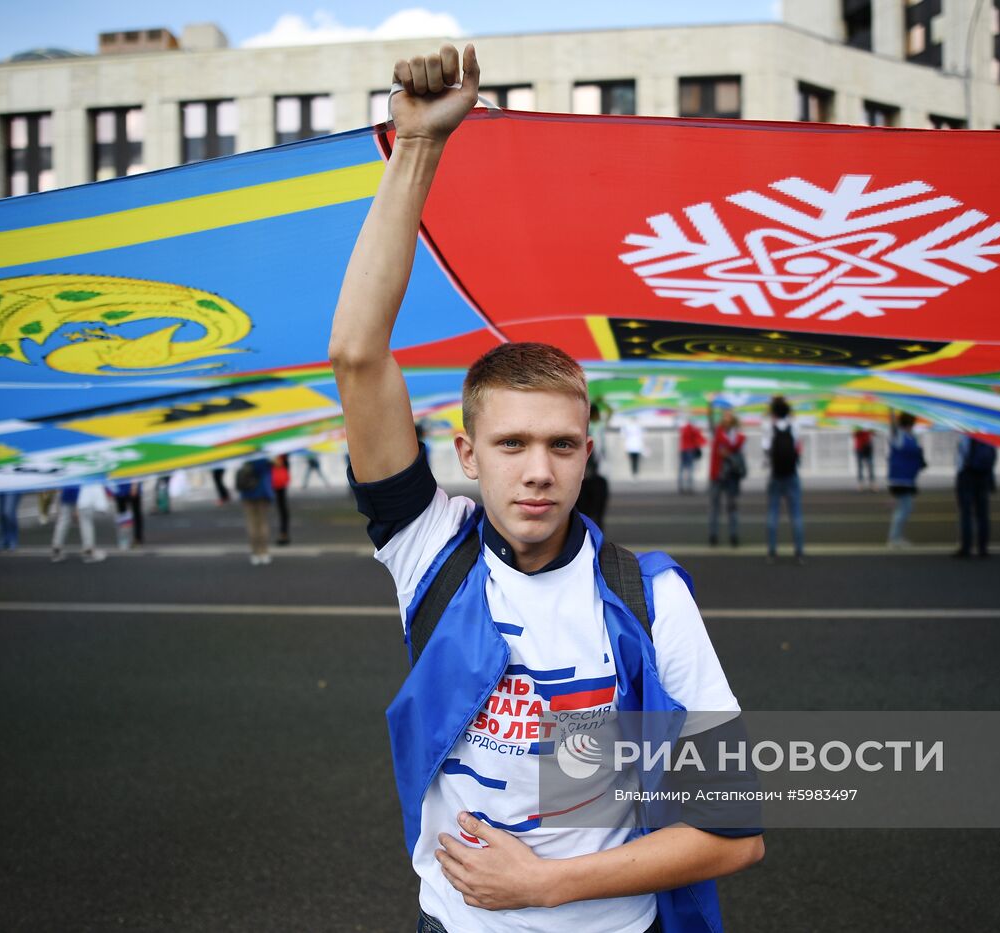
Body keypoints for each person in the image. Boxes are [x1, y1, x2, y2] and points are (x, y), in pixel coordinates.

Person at [327, 44, 761, 933]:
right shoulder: (429, 550)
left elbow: (736, 831)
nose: (538, 470)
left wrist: (546, 886)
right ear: (466, 453)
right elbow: (358, 356)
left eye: (562, 444)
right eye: (512, 442)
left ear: (589, 452)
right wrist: (416, 147)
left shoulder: (652, 596)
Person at [765, 396, 805, 564]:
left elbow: (766, 449)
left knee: (773, 514)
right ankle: (799, 552)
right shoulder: (795, 426)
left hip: (776, 474)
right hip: (791, 474)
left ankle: (772, 552)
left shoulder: (768, 427)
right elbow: (799, 448)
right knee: (796, 514)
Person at [885, 412, 926, 548]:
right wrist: (890, 408)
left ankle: (896, 537)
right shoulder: (899, 435)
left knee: (903, 508)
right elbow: (892, 425)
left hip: (907, 478)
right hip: (900, 478)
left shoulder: (909, 436)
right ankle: (894, 539)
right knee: (904, 509)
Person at [707, 406, 746, 547]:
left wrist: (727, 453)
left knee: (732, 507)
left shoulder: (738, 436)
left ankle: (733, 535)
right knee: (714, 507)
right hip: (717, 475)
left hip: (731, 476)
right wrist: (710, 406)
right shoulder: (718, 432)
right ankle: (713, 535)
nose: (726, 417)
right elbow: (710, 422)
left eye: (728, 415)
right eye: (724, 415)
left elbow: (736, 448)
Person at [953, 434, 997, 558]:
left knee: (966, 513)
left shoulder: (964, 436)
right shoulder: (988, 435)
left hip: (966, 475)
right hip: (983, 476)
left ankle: (966, 547)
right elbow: (992, 456)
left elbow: (960, 458)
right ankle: (983, 548)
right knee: (983, 513)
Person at [575, 402, 610, 531]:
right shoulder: (595, 426)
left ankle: (590, 531)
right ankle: (594, 531)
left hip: (588, 474)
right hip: (595, 473)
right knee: (596, 508)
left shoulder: (587, 427)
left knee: (587, 508)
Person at [51, 483, 106, 563]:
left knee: (63, 521)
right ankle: (88, 550)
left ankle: (56, 548)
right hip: (82, 492)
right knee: (86, 522)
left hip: (66, 490)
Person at [236, 456, 275, 564]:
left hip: (247, 494)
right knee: (263, 523)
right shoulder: (265, 458)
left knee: (251, 524)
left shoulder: (246, 456)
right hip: (263, 494)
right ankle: (264, 552)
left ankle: (255, 553)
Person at [677, 419, 706, 494]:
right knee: (690, 469)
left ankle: (681, 486)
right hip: (690, 449)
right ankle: (689, 487)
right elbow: (700, 439)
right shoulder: (693, 429)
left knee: (682, 469)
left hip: (683, 449)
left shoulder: (683, 429)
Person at [271, 454, 292, 545]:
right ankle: (283, 533)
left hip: (275, 480)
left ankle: (283, 533)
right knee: (282, 507)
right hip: (278, 481)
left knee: (281, 507)